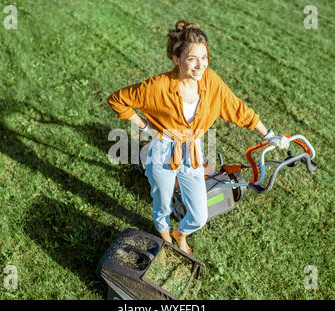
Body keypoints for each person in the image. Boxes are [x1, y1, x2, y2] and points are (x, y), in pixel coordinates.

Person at [107, 20, 286, 254]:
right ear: (176, 59)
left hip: (192, 153)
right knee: (162, 204)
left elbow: (237, 108)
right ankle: (166, 239)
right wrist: (145, 126)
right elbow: (117, 99)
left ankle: (180, 233)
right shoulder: (158, 86)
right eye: (192, 59)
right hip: (162, 151)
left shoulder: (210, 81)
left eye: (204, 58)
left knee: (199, 216)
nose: (200, 65)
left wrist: (269, 135)